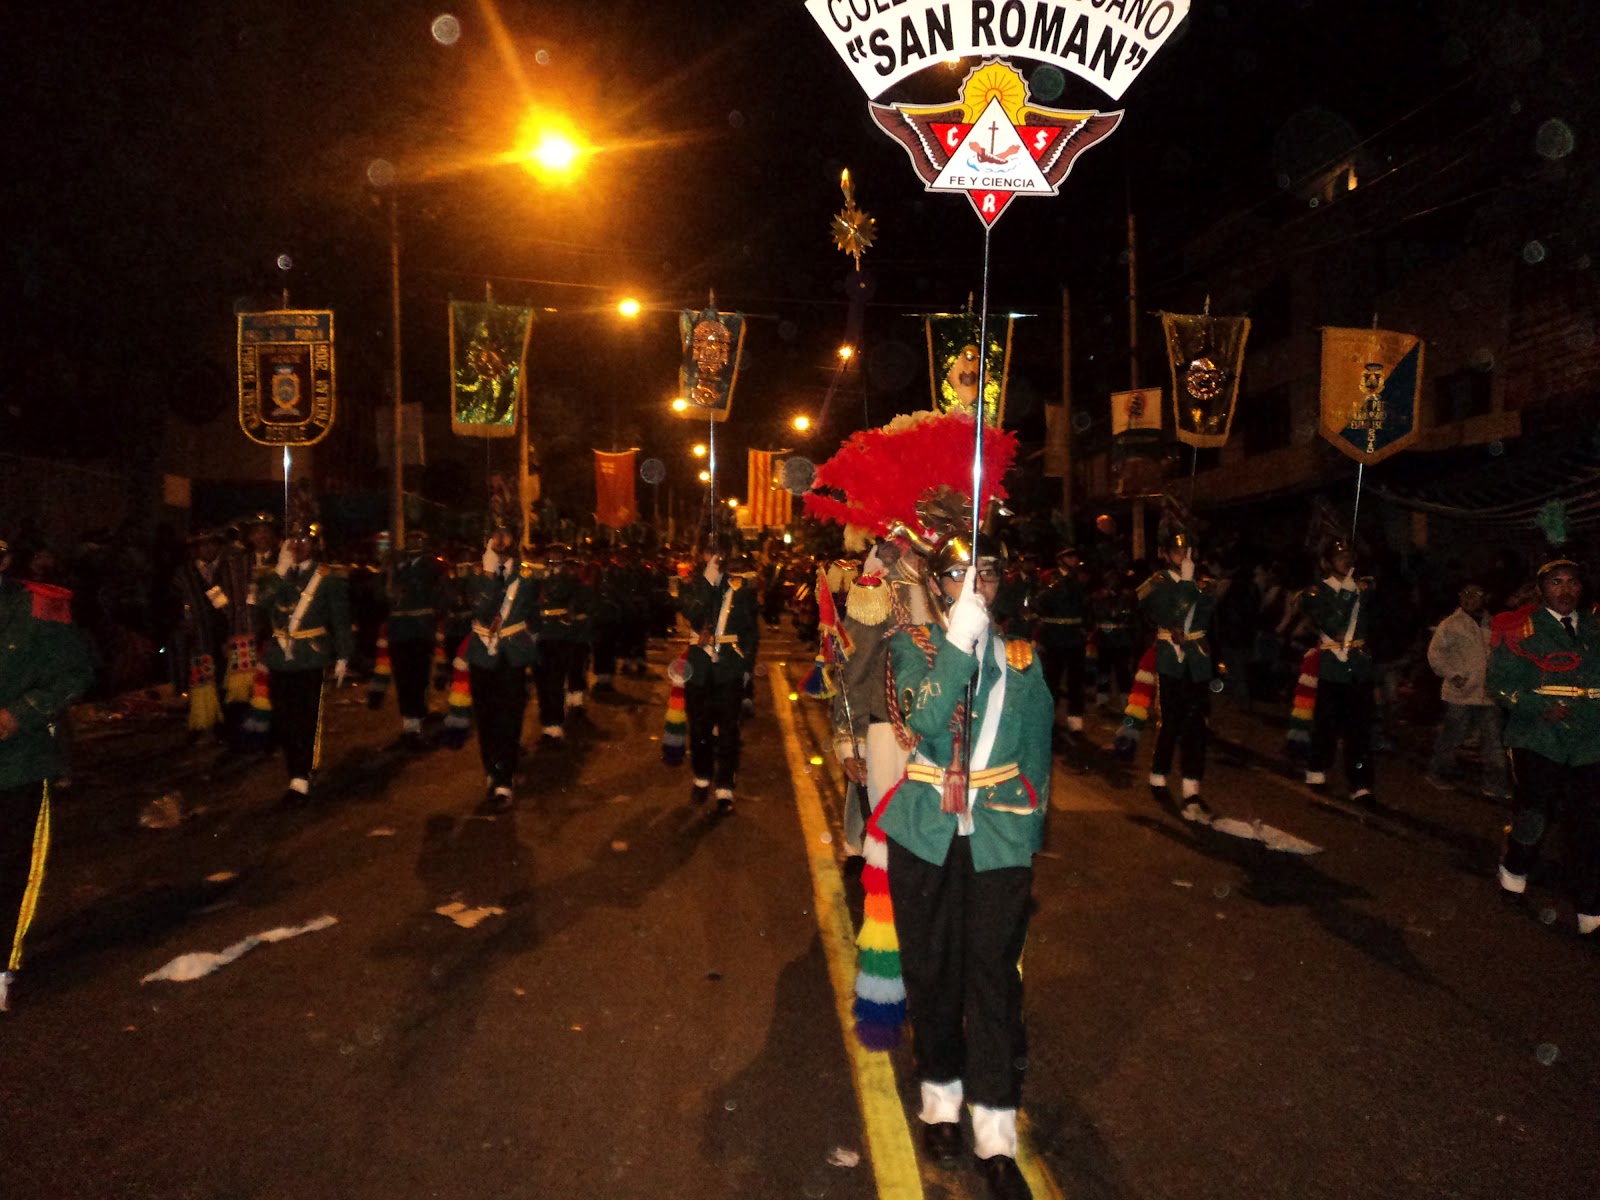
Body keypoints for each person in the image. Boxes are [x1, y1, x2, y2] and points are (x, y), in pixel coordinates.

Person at [882, 531, 1049, 1200]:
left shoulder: (1024, 661)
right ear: (938, 583)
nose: (978, 584)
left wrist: (1026, 829)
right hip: (925, 834)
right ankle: (941, 1101)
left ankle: (996, 1132)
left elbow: (1038, 754)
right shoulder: (912, 645)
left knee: (992, 980)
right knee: (933, 972)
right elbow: (923, 719)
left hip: (997, 841)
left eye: (987, 572)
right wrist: (961, 639)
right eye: (962, 573)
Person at [1, 533, 95, 1011]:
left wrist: (19, 714)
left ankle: (1, 965)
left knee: (10, 866)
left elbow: (75, 673)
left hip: (16, 759)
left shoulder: (38, 608)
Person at [1490, 559, 1600, 934]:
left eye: (1573, 581)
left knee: (1587, 825)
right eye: (1556, 582)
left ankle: (1590, 906)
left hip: (1588, 739)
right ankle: (1516, 865)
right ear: (1541, 588)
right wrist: (1538, 706)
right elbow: (1499, 684)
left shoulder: (1594, 626)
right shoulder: (1519, 627)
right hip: (1537, 736)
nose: (1566, 589)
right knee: (1536, 813)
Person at [831, 539, 932, 855]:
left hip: (940, 739)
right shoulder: (879, 589)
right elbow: (854, 671)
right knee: (885, 845)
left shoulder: (951, 586)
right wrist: (850, 743)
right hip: (887, 730)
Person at [258, 524, 354, 806]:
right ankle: (296, 770)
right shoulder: (272, 576)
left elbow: (340, 618)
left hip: (310, 655)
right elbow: (260, 603)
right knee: (285, 719)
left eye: (303, 540)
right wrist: (279, 571)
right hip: (280, 657)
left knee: (307, 716)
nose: (297, 545)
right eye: (292, 540)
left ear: (314, 544)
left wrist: (343, 655)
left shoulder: (328, 577)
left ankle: (299, 777)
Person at [1137, 532, 1217, 822]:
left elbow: (1206, 619)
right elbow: (1168, 612)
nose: (1183, 557)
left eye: (1187, 552)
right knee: (1171, 720)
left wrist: (1192, 581)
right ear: (1165, 553)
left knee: (1196, 724)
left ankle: (1192, 788)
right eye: (1176, 552)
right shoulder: (1156, 584)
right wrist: (1186, 582)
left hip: (1196, 659)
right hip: (1171, 659)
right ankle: (1159, 772)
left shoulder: (1201, 583)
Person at [680, 538, 760, 813]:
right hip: (700, 669)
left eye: (719, 552)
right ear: (701, 555)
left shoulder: (742, 588)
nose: (714, 557)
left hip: (728, 668)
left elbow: (751, 632)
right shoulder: (690, 585)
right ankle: (702, 778)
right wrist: (707, 581)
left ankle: (725, 786)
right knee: (700, 727)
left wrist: (745, 666)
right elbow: (693, 613)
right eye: (709, 552)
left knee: (728, 730)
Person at [464, 525, 540, 812]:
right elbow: (480, 611)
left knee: (509, 717)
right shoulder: (474, 573)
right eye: (494, 534)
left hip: (512, 655)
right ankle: (492, 768)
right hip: (482, 654)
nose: (500, 540)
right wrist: (488, 573)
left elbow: (534, 614)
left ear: (515, 540)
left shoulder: (530, 575)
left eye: (506, 535)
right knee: (485, 717)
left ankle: (503, 779)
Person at [1301, 540, 1377, 806]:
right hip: (1332, 665)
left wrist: (1353, 588)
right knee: (1327, 724)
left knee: (1359, 728)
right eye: (1339, 556)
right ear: (1326, 562)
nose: (1346, 560)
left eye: (1349, 556)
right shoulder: (1315, 592)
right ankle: (1317, 769)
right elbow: (1331, 622)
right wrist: (1346, 592)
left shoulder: (1361, 587)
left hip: (1357, 666)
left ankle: (1360, 784)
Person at [1425, 581, 1509, 798]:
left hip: (1489, 693)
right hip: (1461, 693)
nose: (1468, 598)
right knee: (1452, 736)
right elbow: (1435, 653)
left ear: (1485, 597)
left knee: (1493, 740)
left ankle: (1495, 783)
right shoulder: (1452, 624)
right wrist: (1453, 674)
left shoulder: (1494, 624)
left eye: (1474, 594)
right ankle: (1438, 772)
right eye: (1465, 594)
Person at [385, 529, 448, 751]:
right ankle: (408, 723)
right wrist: (391, 572)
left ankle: (418, 720)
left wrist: (434, 614)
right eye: (410, 540)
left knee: (419, 676)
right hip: (399, 631)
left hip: (421, 630)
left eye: (417, 540)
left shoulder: (432, 567)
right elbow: (383, 595)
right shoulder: (397, 566)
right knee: (402, 677)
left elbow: (441, 594)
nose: (413, 543)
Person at [171, 528, 232, 738]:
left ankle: (225, 727)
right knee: (201, 679)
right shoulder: (183, 574)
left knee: (226, 681)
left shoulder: (227, 570)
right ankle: (202, 723)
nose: (208, 549)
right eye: (203, 544)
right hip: (197, 637)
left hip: (224, 636)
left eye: (213, 543)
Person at [531, 546, 592, 745]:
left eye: (558, 555)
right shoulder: (534, 576)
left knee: (555, 681)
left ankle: (554, 726)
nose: (553, 558)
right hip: (538, 635)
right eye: (550, 554)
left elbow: (575, 599)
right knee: (541, 683)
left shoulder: (569, 578)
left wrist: (569, 619)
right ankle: (546, 722)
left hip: (559, 634)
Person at [1029, 546, 1088, 735]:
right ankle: (1049, 716)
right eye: (1069, 556)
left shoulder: (1079, 579)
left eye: (1075, 556)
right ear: (1060, 559)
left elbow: (1086, 605)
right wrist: (1054, 588)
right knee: (1052, 679)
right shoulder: (1048, 578)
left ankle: (1075, 717)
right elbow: (1038, 602)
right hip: (1054, 635)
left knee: (1076, 680)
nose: (1073, 560)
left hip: (1074, 636)